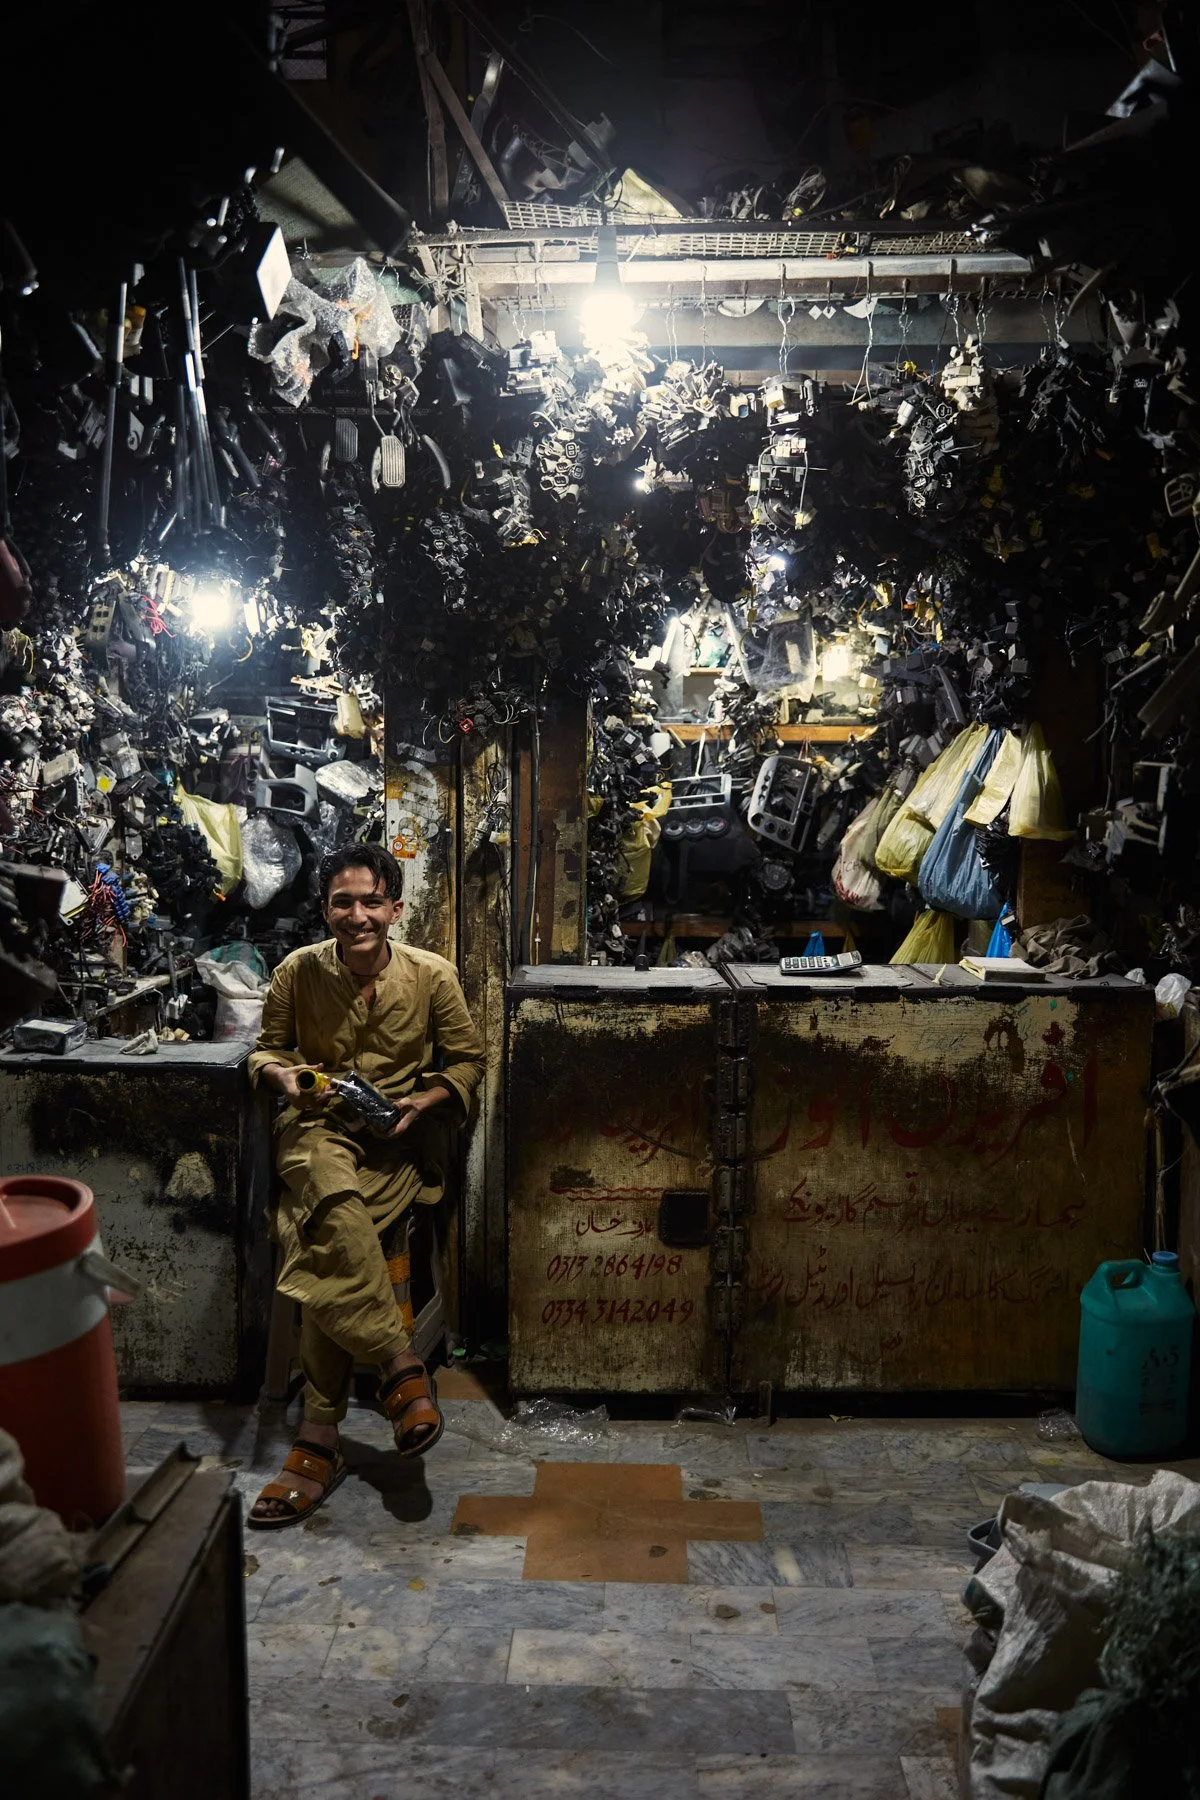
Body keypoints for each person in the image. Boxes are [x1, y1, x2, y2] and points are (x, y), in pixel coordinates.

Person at [246, 844, 484, 1530]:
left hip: (394, 1146)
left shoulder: (432, 977)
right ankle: (400, 1366)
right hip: (318, 1135)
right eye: (343, 903)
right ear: (325, 909)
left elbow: (467, 1060)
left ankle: (319, 1442)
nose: (357, 916)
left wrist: (425, 1100)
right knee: (332, 1201)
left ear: (395, 909)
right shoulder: (298, 971)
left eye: (371, 902)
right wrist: (282, 1077)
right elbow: (267, 1048)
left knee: (326, 1236)